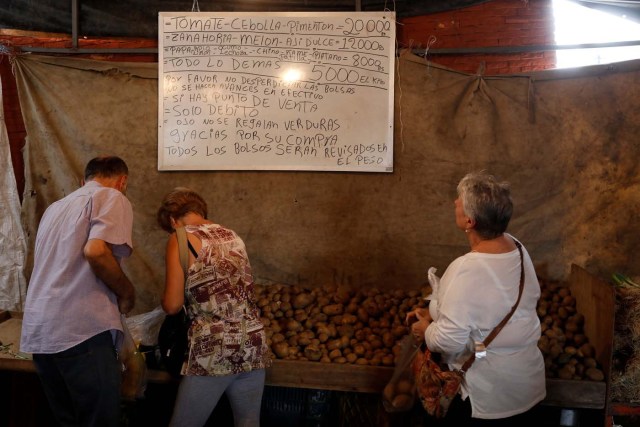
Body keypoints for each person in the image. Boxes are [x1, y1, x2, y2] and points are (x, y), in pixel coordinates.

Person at [407, 171, 546, 426]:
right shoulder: (517, 247)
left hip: (488, 397)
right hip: (528, 384)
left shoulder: (466, 269)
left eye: (459, 200)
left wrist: (426, 329)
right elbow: (486, 309)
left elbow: (449, 341)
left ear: (470, 221)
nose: (454, 202)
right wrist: (436, 314)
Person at [20, 155, 136, 427]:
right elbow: (96, 252)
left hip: (41, 333)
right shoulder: (111, 196)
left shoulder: (56, 208)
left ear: (82, 181)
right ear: (123, 181)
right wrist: (127, 292)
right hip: (81, 332)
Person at [157, 187, 270, 427]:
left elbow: (172, 305)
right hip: (253, 341)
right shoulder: (233, 236)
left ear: (172, 219)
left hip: (215, 346)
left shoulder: (180, 237)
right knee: (248, 421)